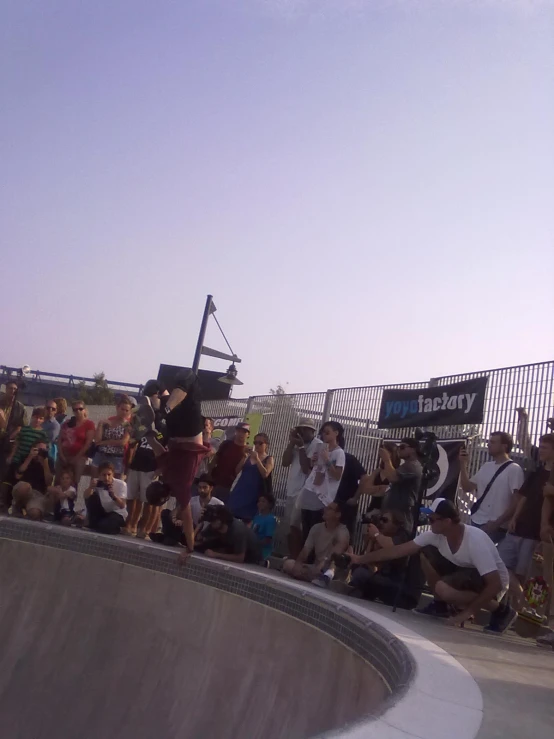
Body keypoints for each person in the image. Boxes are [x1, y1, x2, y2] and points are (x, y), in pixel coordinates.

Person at [350, 498, 514, 632]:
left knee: (444, 589)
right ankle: (440, 605)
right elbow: (397, 551)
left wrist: (467, 613)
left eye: (432, 519)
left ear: (448, 521)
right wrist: (359, 559)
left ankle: (502, 611)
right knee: (424, 551)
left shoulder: (475, 541)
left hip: (492, 581)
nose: (429, 522)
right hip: (466, 570)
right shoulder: (435, 535)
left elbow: (495, 583)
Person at [139, 371, 210, 554]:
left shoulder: (180, 487)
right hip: (174, 431)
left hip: (191, 434)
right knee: (163, 385)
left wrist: (190, 547)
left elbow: (187, 520)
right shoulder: (166, 472)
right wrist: (149, 435)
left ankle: (160, 408)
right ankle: (158, 404)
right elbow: (159, 450)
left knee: (191, 380)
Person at [497, 434, 554, 612]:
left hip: (535, 533)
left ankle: (519, 612)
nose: (541, 450)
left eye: (544, 447)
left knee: (525, 575)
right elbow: (524, 496)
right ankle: (520, 604)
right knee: (499, 563)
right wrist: (514, 517)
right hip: (519, 526)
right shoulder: (537, 471)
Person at [459, 431, 524, 544]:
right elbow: (467, 487)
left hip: (495, 526)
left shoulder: (514, 469)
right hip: (476, 520)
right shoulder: (486, 466)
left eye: (493, 442)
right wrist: (462, 465)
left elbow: (516, 500)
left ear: (504, 446)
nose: (489, 444)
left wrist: (497, 523)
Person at [348, 509, 422, 609]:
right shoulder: (383, 538)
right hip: (389, 582)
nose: (381, 523)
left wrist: (376, 535)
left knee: (366, 578)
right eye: (380, 520)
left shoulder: (403, 536)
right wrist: (371, 541)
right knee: (362, 573)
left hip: (405, 592)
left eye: (385, 520)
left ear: (396, 524)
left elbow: (393, 550)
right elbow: (371, 565)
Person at [282, 418, 323, 558]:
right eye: (300, 429)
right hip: (292, 490)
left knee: (297, 527)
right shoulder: (296, 444)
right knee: (289, 527)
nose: (301, 432)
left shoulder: (318, 445)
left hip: (306, 492)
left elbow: (307, 469)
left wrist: (300, 447)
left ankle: (298, 558)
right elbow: (285, 462)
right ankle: (291, 556)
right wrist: (291, 443)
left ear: (312, 431)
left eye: (305, 430)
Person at [299, 422, 346, 541]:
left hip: (323, 497)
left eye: (327, 432)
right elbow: (315, 470)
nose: (324, 435)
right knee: (305, 527)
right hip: (311, 489)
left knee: (315, 528)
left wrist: (326, 460)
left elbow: (337, 476)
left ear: (336, 433)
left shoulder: (339, 453)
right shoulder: (321, 448)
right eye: (323, 433)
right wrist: (313, 461)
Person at [282, 501, 350, 583]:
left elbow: (339, 549)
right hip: (316, 568)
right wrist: (298, 563)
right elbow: (305, 550)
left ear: (338, 514)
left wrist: (323, 562)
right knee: (288, 564)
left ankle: (321, 578)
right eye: (325, 507)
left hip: (333, 570)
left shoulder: (342, 531)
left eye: (329, 508)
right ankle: (316, 578)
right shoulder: (316, 528)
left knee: (326, 571)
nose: (325, 510)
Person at [189, 505, 263, 564]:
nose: (211, 524)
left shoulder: (237, 531)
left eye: (213, 521)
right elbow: (197, 539)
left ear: (221, 520)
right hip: (230, 546)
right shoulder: (214, 525)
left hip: (250, 557)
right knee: (202, 546)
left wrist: (216, 555)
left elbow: (240, 558)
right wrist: (200, 523)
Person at [228, 433, 274, 521]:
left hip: (254, 494)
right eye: (255, 442)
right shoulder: (249, 457)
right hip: (240, 491)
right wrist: (244, 456)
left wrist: (257, 459)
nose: (257, 445)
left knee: (248, 520)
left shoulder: (269, 458)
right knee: (231, 516)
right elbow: (237, 471)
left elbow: (265, 474)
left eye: (260, 443)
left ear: (266, 445)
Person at [379, 439, 422, 529]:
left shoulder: (412, 466)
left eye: (402, 447)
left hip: (401, 516)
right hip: (395, 514)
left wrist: (387, 459)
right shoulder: (406, 465)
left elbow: (392, 477)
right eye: (398, 447)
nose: (399, 450)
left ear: (413, 449)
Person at [11, 440, 54, 520]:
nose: (40, 452)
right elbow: (17, 475)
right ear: (32, 449)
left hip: (37, 494)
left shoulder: (48, 461)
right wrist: (30, 457)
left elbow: (49, 482)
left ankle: (27, 513)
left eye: (43, 450)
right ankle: (17, 507)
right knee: (25, 487)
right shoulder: (25, 457)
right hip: (23, 488)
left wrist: (44, 463)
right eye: (38, 449)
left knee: (35, 514)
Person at [209, 422, 251, 503]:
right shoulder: (226, 444)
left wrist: (245, 456)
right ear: (236, 431)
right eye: (239, 431)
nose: (241, 434)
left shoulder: (247, 451)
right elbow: (215, 459)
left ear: (248, 435)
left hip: (230, 486)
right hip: (215, 481)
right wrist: (209, 476)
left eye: (244, 432)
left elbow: (240, 471)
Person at [92, 396, 132, 477]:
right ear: (117, 408)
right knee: (95, 481)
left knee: (114, 484)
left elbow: (123, 442)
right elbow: (97, 440)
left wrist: (105, 442)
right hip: (101, 454)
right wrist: (100, 424)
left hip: (116, 457)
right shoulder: (108, 422)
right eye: (122, 409)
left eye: (126, 410)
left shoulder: (128, 426)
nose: (124, 412)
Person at [57, 401, 96, 484]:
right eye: (75, 409)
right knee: (58, 481)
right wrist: (61, 455)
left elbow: (88, 443)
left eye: (80, 409)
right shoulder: (67, 423)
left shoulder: (89, 424)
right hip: (63, 455)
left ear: (84, 410)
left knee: (74, 482)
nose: (78, 411)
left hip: (80, 456)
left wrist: (76, 458)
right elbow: (59, 439)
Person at [84, 462, 127, 534]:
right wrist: (90, 487)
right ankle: (94, 524)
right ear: (99, 475)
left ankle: (119, 529)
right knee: (92, 497)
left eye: (109, 475)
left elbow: (122, 505)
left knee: (105, 527)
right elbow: (86, 497)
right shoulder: (98, 483)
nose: (106, 478)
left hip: (117, 513)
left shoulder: (121, 484)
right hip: (104, 511)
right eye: (104, 475)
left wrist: (113, 496)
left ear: (113, 474)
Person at [335, 452, 370, 537]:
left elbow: (364, 477)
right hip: (329, 502)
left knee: (345, 534)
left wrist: (355, 498)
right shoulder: (326, 457)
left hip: (345, 502)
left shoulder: (349, 458)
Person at [252, 493, 277, 561]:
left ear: (270, 504)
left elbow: (268, 539)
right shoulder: (256, 517)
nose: (260, 503)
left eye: (263, 501)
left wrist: (255, 545)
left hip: (263, 552)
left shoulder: (271, 519)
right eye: (259, 501)